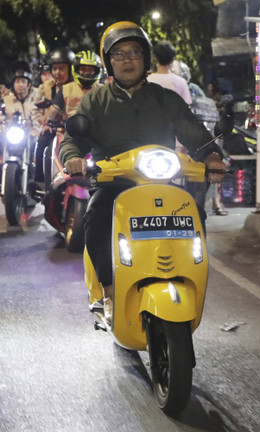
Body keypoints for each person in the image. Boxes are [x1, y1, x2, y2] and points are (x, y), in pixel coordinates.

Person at [59, 21, 226, 324]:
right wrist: (73, 157)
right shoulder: (96, 101)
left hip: (161, 181)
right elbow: (73, 140)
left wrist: (213, 156)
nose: (126, 59)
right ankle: (109, 290)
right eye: (118, 54)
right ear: (109, 62)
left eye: (134, 52)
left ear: (145, 58)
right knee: (95, 217)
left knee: (195, 215)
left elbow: (197, 137)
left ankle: (186, 278)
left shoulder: (166, 99)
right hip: (113, 182)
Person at [33, 47, 75, 186]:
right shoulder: (44, 88)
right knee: (41, 145)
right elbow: (36, 110)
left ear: (70, 69)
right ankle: (40, 183)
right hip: (51, 129)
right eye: (54, 69)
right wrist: (43, 124)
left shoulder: (78, 87)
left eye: (62, 68)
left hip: (74, 130)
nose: (57, 73)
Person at [45, 50, 103, 123]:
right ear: (75, 69)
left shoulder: (103, 90)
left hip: (98, 131)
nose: (87, 73)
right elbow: (52, 111)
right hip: (71, 131)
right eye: (83, 69)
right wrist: (46, 124)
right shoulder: (66, 89)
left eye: (90, 70)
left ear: (97, 71)